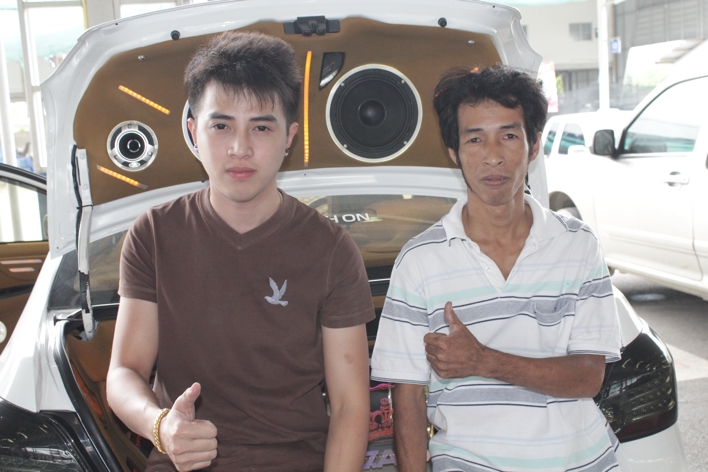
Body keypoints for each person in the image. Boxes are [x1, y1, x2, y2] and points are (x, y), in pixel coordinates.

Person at [107, 31, 374, 472]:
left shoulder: (330, 250)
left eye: (261, 127)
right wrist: (161, 426)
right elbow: (124, 373)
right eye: (221, 125)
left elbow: (349, 405)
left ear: (289, 137)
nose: (240, 148)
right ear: (194, 132)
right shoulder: (154, 235)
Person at [370, 65, 626, 472]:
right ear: (454, 152)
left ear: (534, 145)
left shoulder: (578, 244)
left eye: (509, 136)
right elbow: (408, 399)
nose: (492, 156)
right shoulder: (420, 261)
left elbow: (588, 377)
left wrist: (483, 361)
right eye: (474, 139)